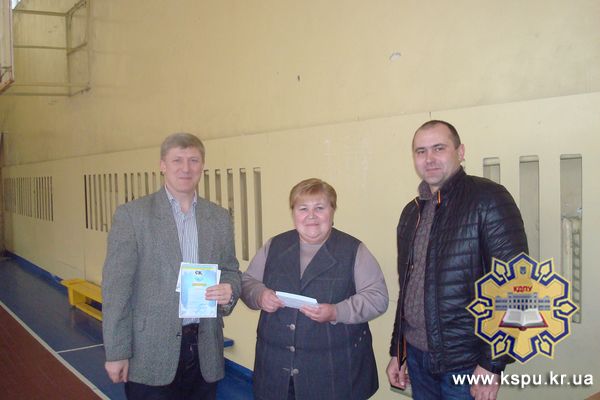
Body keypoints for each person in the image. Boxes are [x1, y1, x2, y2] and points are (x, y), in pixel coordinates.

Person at [386, 120, 528, 400]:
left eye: (439, 148)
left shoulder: (488, 199)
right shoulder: (411, 213)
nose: (429, 158)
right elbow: (408, 293)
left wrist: (492, 363)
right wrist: (397, 352)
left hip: (467, 363)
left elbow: (517, 286)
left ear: (460, 152)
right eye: (421, 151)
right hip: (417, 358)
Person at [102, 132, 241, 400]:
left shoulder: (219, 217)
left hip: (204, 351)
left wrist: (229, 290)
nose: (186, 168)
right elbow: (116, 290)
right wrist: (117, 352)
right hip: (149, 353)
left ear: (202, 166)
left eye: (193, 160)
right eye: (177, 160)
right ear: (162, 165)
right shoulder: (133, 216)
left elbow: (230, 270)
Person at [241, 178, 388, 400]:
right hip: (275, 371)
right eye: (303, 208)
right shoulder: (274, 245)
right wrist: (259, 295)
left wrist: (337, 312)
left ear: (332, 210)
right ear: (293, 213)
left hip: (334, 374)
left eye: (320, 208)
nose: (311, 216)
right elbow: (247, 282)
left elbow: (378, 298)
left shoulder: (354, 250)